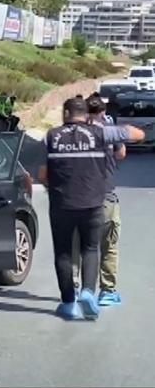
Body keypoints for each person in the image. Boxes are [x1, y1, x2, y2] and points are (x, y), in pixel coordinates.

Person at [37, 97, 144, 320]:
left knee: (64, 253)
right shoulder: (100, 133)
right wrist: (108, 125)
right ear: (85, 115)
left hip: (62, 205)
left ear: (65, 114)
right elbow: (137, 134)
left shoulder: (51, 137)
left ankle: (68, 303)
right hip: (93, 204)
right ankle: (88, 291)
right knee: (91, 249)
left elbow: (42, 175)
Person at [70, 94, 126, 306]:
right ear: (102, 113)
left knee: (76, 246)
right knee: (108, 245)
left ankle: (73, 290)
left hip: (77, 200)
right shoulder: (109, 132)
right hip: (105, 199)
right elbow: (121, 154)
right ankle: (107, 291)